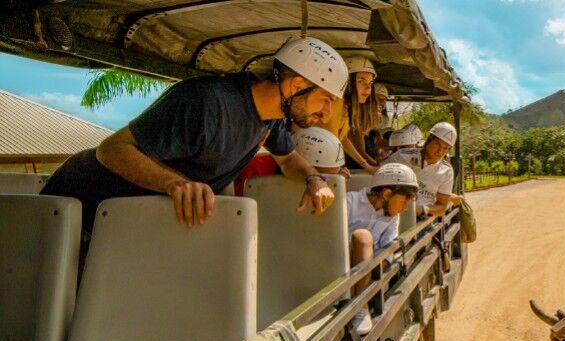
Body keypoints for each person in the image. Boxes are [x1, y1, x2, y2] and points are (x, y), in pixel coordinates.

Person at [41, 37, 346, 231]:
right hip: (77, 207)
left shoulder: (272, 120)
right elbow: (110, 149)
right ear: (295, 86)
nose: (328, 112)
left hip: (128, 221)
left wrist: (313, 179)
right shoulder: (208, 104)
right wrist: (177, 185)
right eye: (326, 99)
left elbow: (289, 158)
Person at [347, 163, 418, 334]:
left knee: (374, 246)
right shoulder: (350, 201)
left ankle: (361, 298)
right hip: (341, 264)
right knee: (363, 237)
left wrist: (374, 269)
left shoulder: (392, 216)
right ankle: (361, 307)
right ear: (387, 194)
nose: (405, 208)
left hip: (366, 271)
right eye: (404, 201)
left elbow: (388, 247)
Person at [385, 121, 463, 217]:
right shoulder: (403, 156)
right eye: (437, 144)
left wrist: (423, 209)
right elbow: (379, 175)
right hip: (393, 212)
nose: (440, 151)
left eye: (445, 148)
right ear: (429, 140)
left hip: (421, 219)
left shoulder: (446, 171)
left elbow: (441, 207)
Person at [341, 56, 381, 174]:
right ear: (347, 82)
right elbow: (343, 139)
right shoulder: (337, 105)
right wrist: (368, 166)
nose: (368, 88)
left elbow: (359, 149)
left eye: (370, 83)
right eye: (361, 81)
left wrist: (374, 165)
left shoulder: (351, 110)